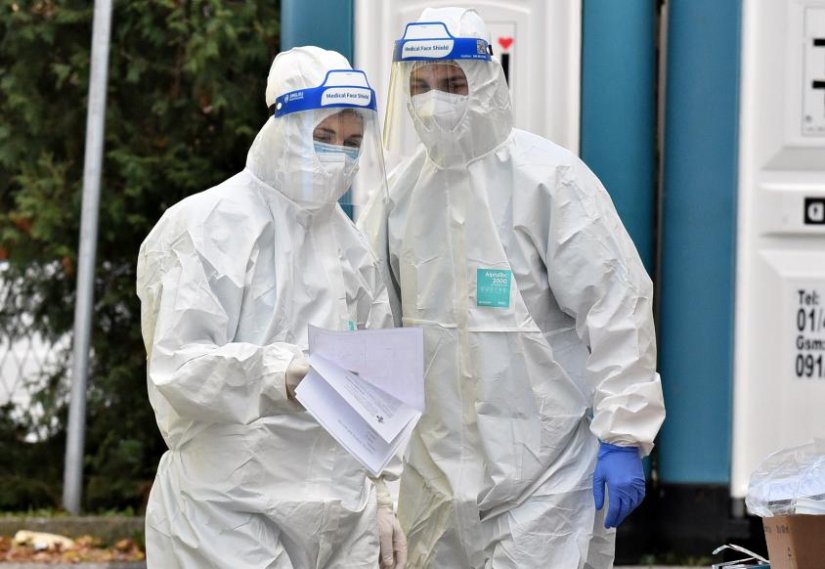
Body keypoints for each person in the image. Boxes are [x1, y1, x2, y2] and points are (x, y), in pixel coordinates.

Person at [358, 7, 666, 568]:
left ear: (485, 81)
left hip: (546, 478)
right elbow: (375, 330)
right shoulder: (398, 196)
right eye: (420, 85)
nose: (434, 100)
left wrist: (624, 434)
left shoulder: (550, 179)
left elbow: (615, 305)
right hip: (435, 483)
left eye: (453, 83)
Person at [137, 46, 406, 569]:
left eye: (353, 143)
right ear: (284, 127)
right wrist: (279, 372)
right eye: (324, 136)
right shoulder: (206, 224)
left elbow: (382, 389)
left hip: (341, 517)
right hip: (228, 513)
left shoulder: (352, 247)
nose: (339, 155)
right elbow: (177, 369)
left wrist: (382, 495)